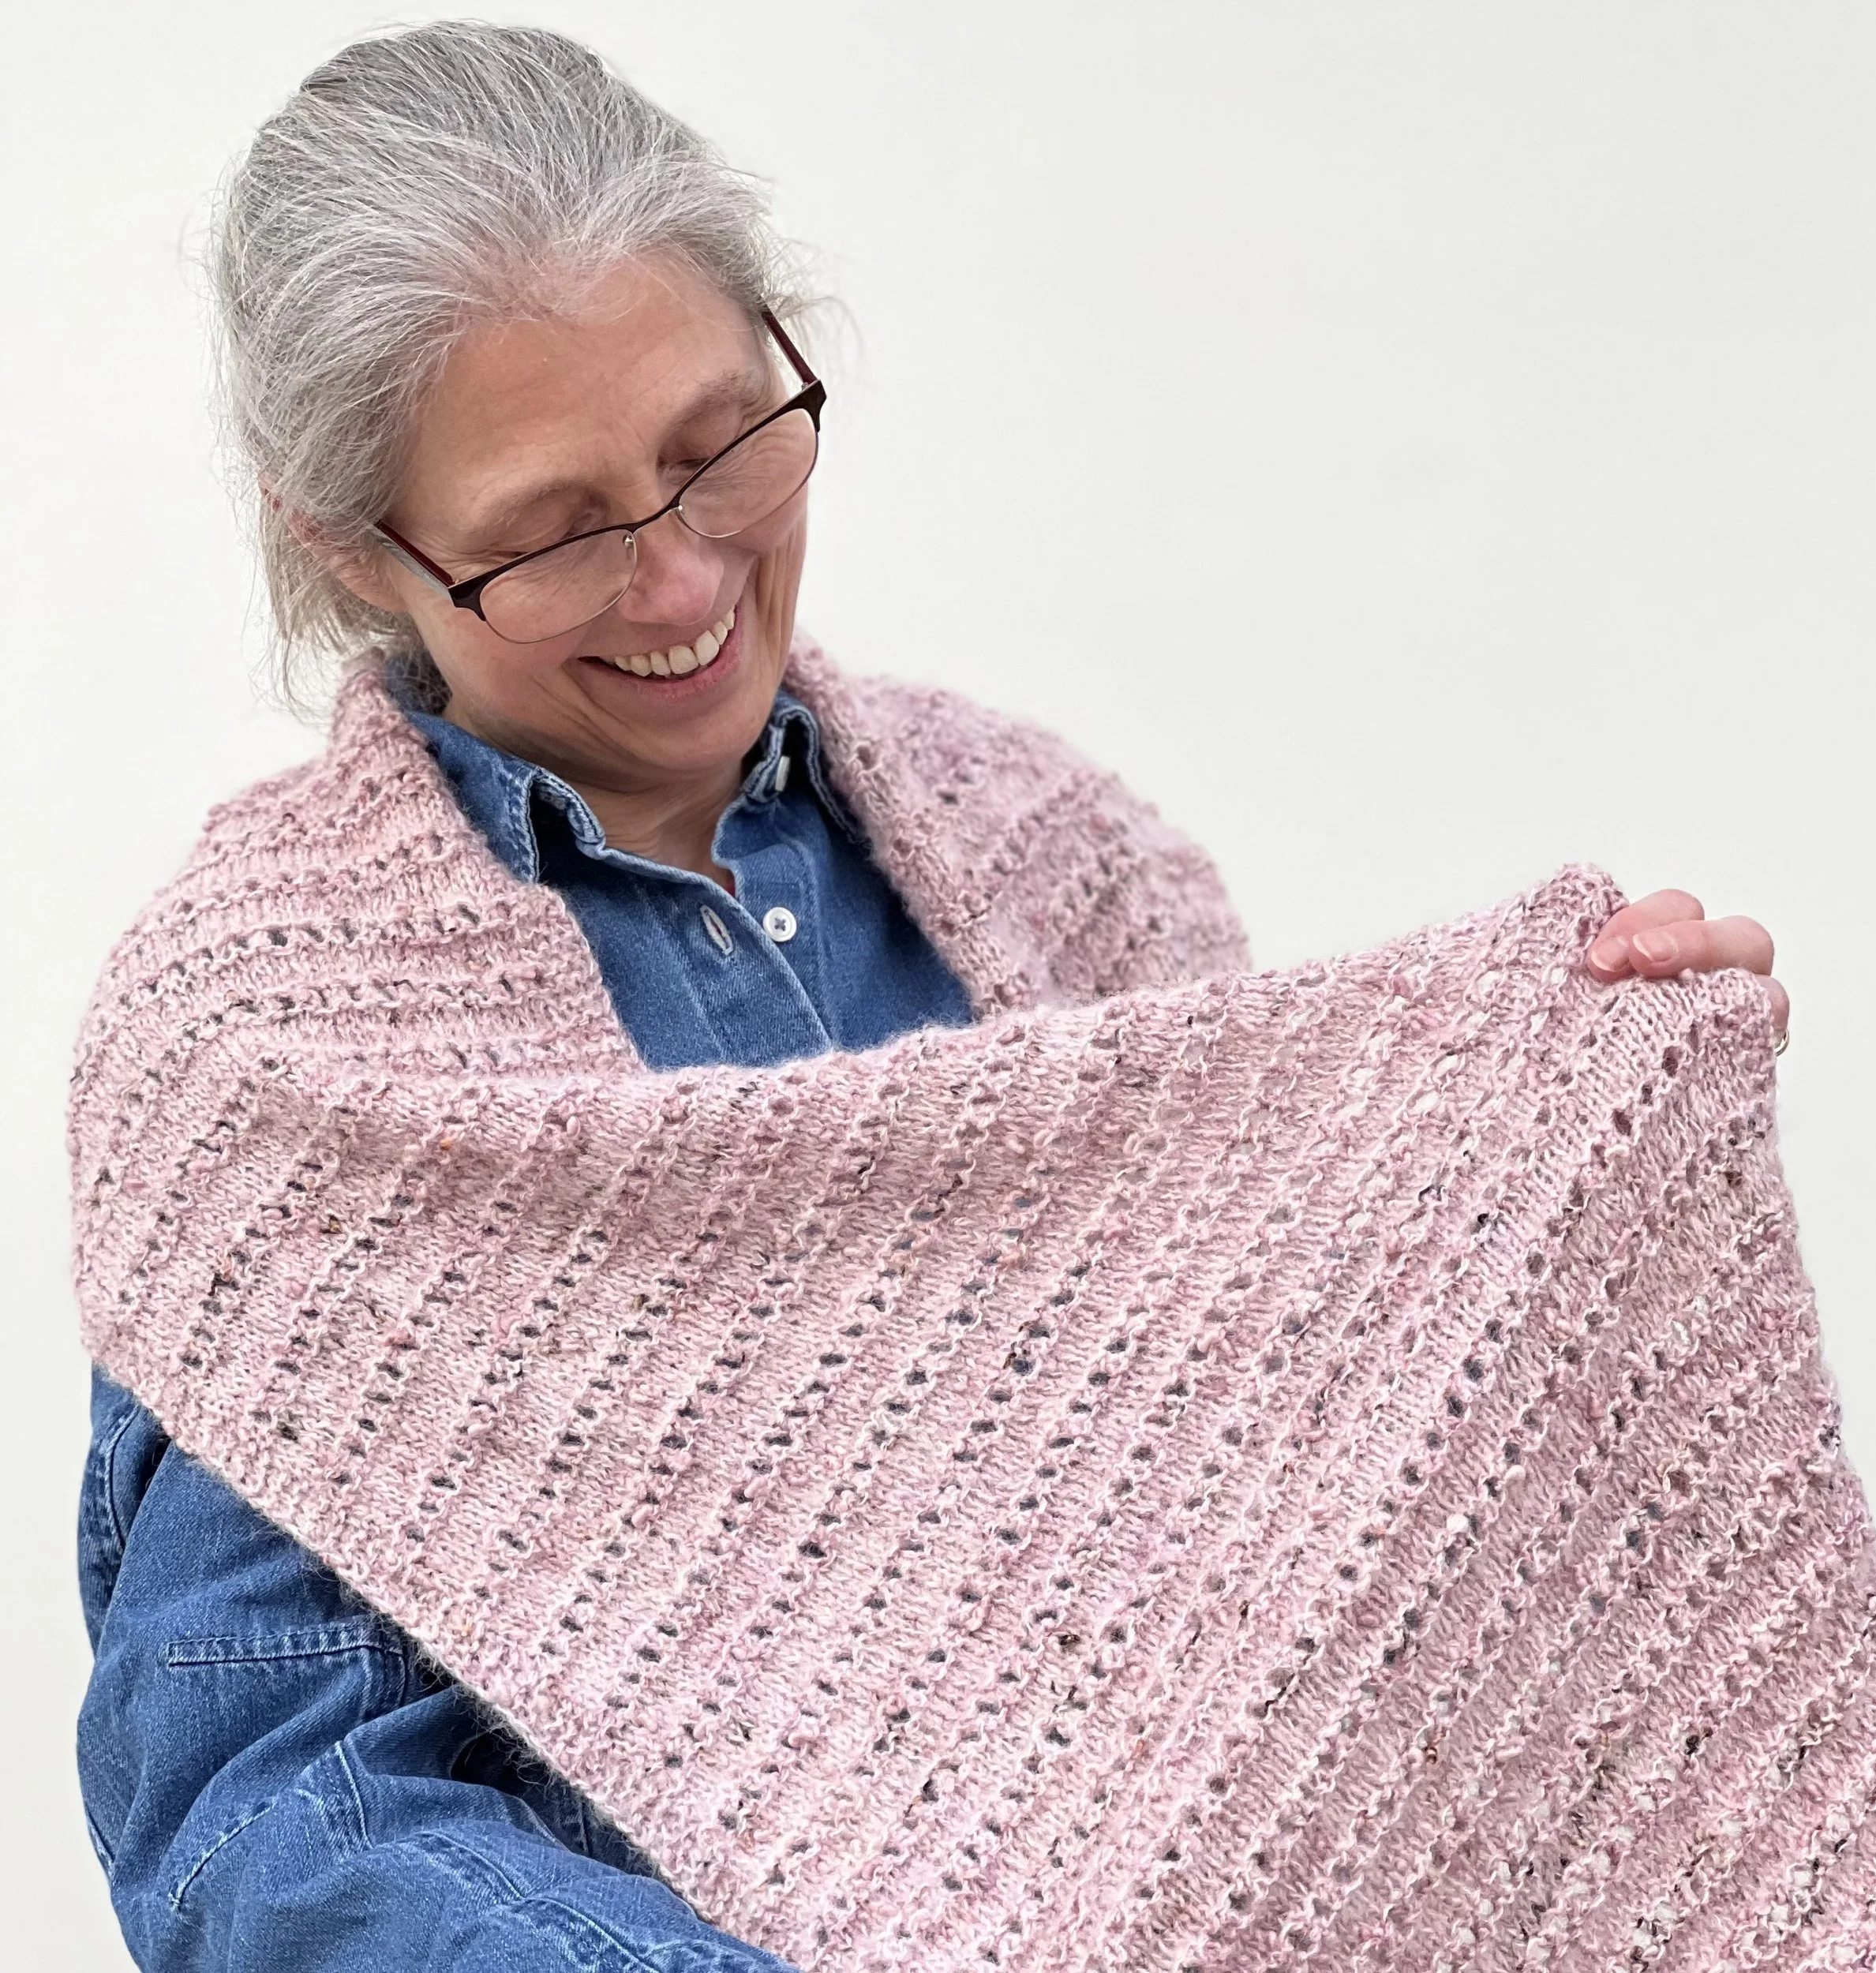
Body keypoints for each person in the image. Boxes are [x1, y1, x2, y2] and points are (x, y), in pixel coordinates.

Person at [74, 22, 1789, 1971]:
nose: (677, 578)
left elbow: (1333, 1563)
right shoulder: (269, 1057)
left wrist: (1595, 1191)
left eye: (720, 442)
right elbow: (269, 1821)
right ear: (348, 542)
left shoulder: (1061, 870)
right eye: (554, 532)